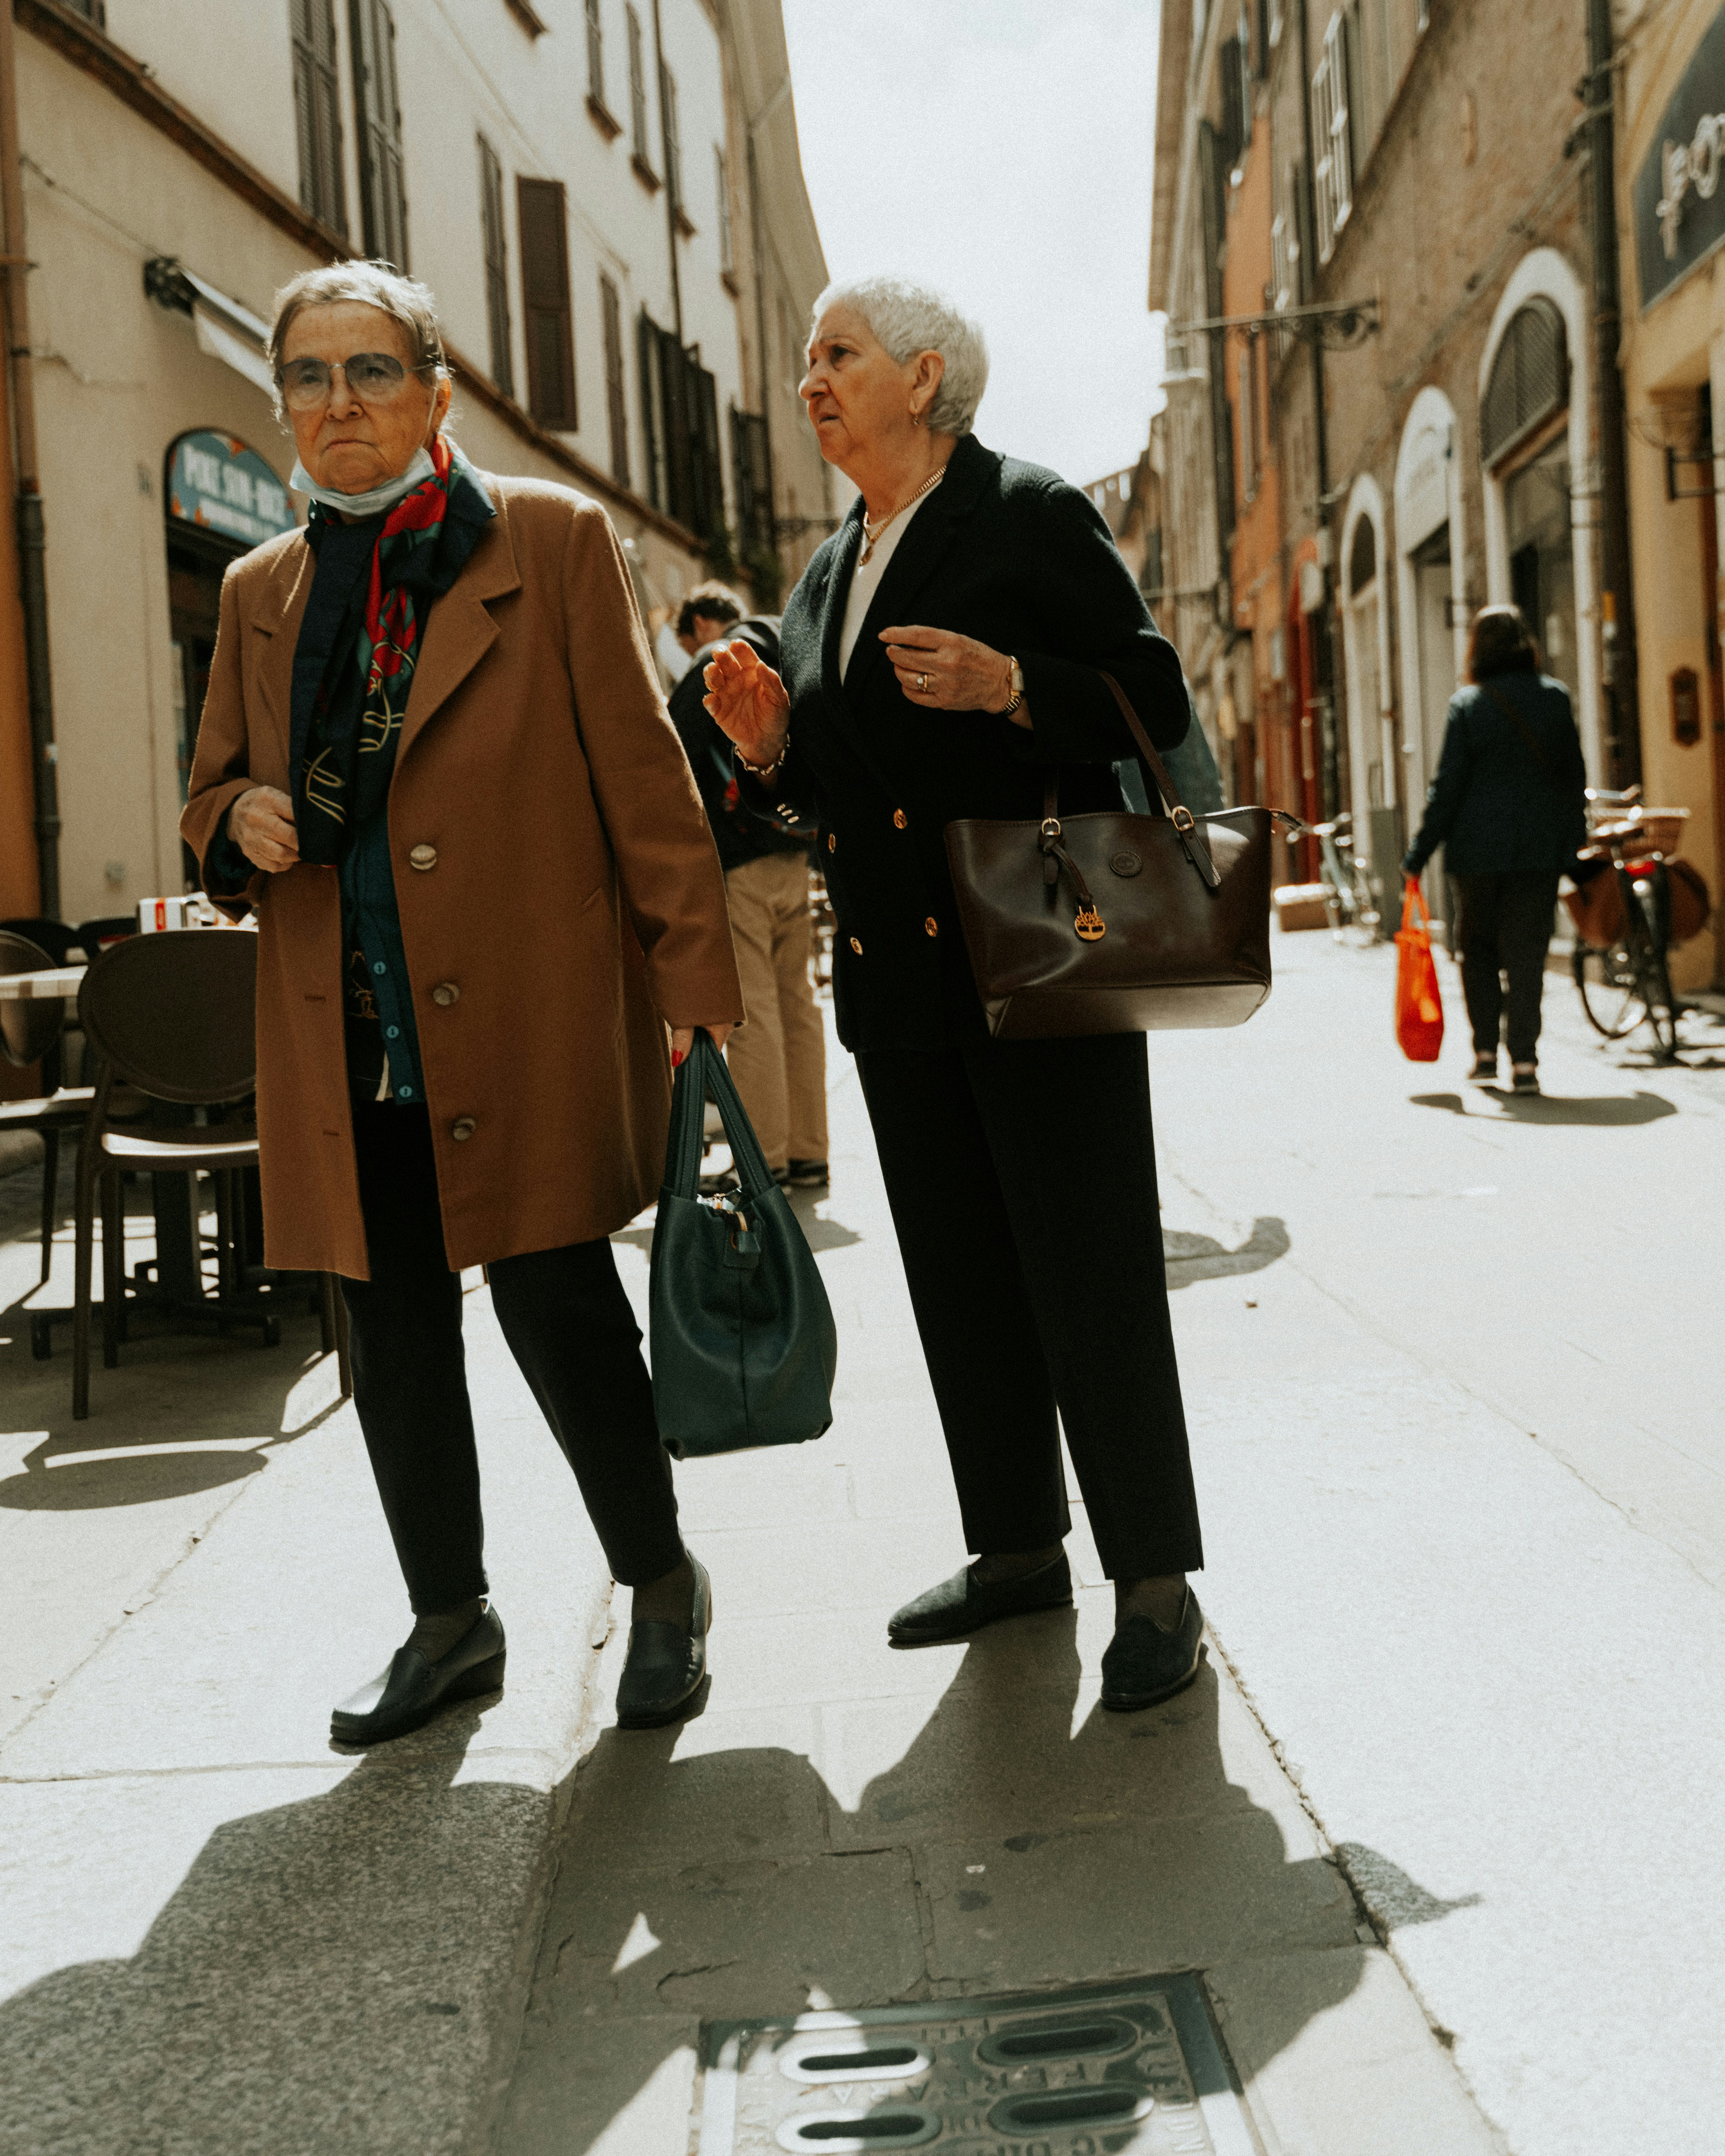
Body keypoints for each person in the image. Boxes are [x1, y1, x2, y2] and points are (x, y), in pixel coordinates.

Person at [181, 262, 743, 1745]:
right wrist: (235, 814)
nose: (338, 404)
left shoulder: (547, 539)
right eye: (309, 376)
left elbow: (645, 775)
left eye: (371, 372)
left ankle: (661, 1580)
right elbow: (209, 785)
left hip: (519, 1011)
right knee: (392, 1334)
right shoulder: (259, 590)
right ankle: (450, 1618)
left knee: (564, 1313)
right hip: (341, 1024)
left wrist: (696, 989)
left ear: (437, 393)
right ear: (283, 404)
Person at [702, 275, 1206, 1711]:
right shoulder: (820, 572)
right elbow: (833, 790)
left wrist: (1011, 686)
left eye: (837, 354)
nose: (810, 379)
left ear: (921, 379)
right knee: (960, 1280)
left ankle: (1153, 1579)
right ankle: (1014, 1549)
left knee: (1090, 1271)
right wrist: (766, 750)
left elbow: (1151, 698)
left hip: (1041, 951)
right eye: (807, 357)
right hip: (894, 977)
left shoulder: (1027, 511)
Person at [670, 582, 829, 1188]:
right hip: (795, 848)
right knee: (798, 1002)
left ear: (704, 624)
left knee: (753, 1010)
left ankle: (767, 1158)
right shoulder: (787, 640)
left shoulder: (719, 663)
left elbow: (670, 748)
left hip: (736, 858)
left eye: (687, 641)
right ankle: (809, 1150)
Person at [1403, 604, 1586, 1095]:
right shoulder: (1555, 699)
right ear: (1527, 643)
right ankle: (1523, 1059)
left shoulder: (1468, 705)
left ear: (1476, 649)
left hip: (1475, 854)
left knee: (1478, 950)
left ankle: (1485, 1053)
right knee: (1527, 953)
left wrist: (1419, 853)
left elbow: (1447, 787)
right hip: (1536, 852)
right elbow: (1573, 777)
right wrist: (1575, 844)